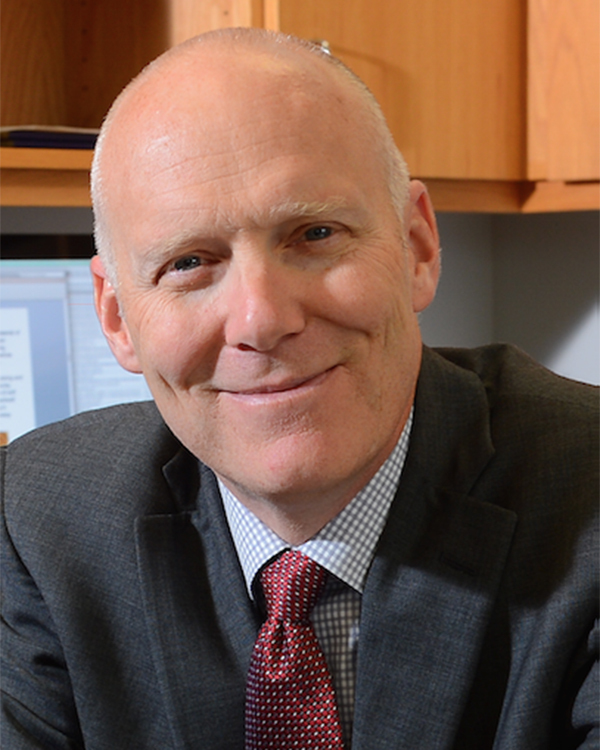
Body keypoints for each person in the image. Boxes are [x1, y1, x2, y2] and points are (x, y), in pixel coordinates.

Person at [1, 27, 597, 750]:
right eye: (189, 262)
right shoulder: (36, 520)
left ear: (417, 248)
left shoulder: (586, 500)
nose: (262, 319)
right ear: (117, 318)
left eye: (314, 233)